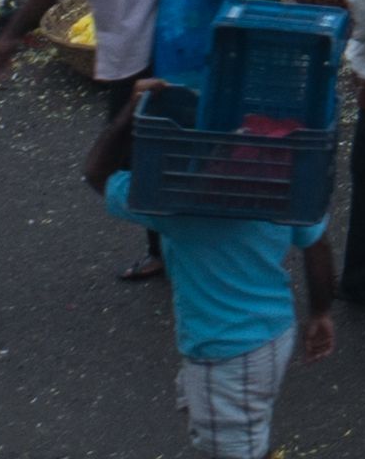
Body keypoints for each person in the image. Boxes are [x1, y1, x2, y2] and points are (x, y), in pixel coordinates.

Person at [103, 39, 343, 459]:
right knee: (237, 433)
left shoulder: (175, 207)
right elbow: (315, 242)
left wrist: (127, 112)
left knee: (233, 447)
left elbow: (95, 174)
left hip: (225, 354)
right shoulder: (279, 185)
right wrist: (321, 313)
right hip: (271, 334)